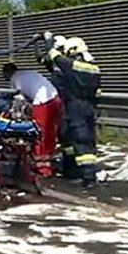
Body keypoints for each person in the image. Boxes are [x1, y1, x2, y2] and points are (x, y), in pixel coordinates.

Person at [43, 34, 101, 186]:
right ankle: (71, 169)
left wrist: (49, 41)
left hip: (76, 106)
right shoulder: (94, 68)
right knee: (69, 137)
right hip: (87, 106)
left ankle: (88, 177)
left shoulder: (74, 66)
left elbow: (56, 58)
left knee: (81, 139)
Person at [2, 63, 61, 178]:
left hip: (42, 102)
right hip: (54, 98)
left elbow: (18, 97)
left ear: (8, 73)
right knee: (50, 132)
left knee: (37, 133)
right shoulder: (28, 73)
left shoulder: (15, 78)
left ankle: (41, 166)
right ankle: (48, 160)